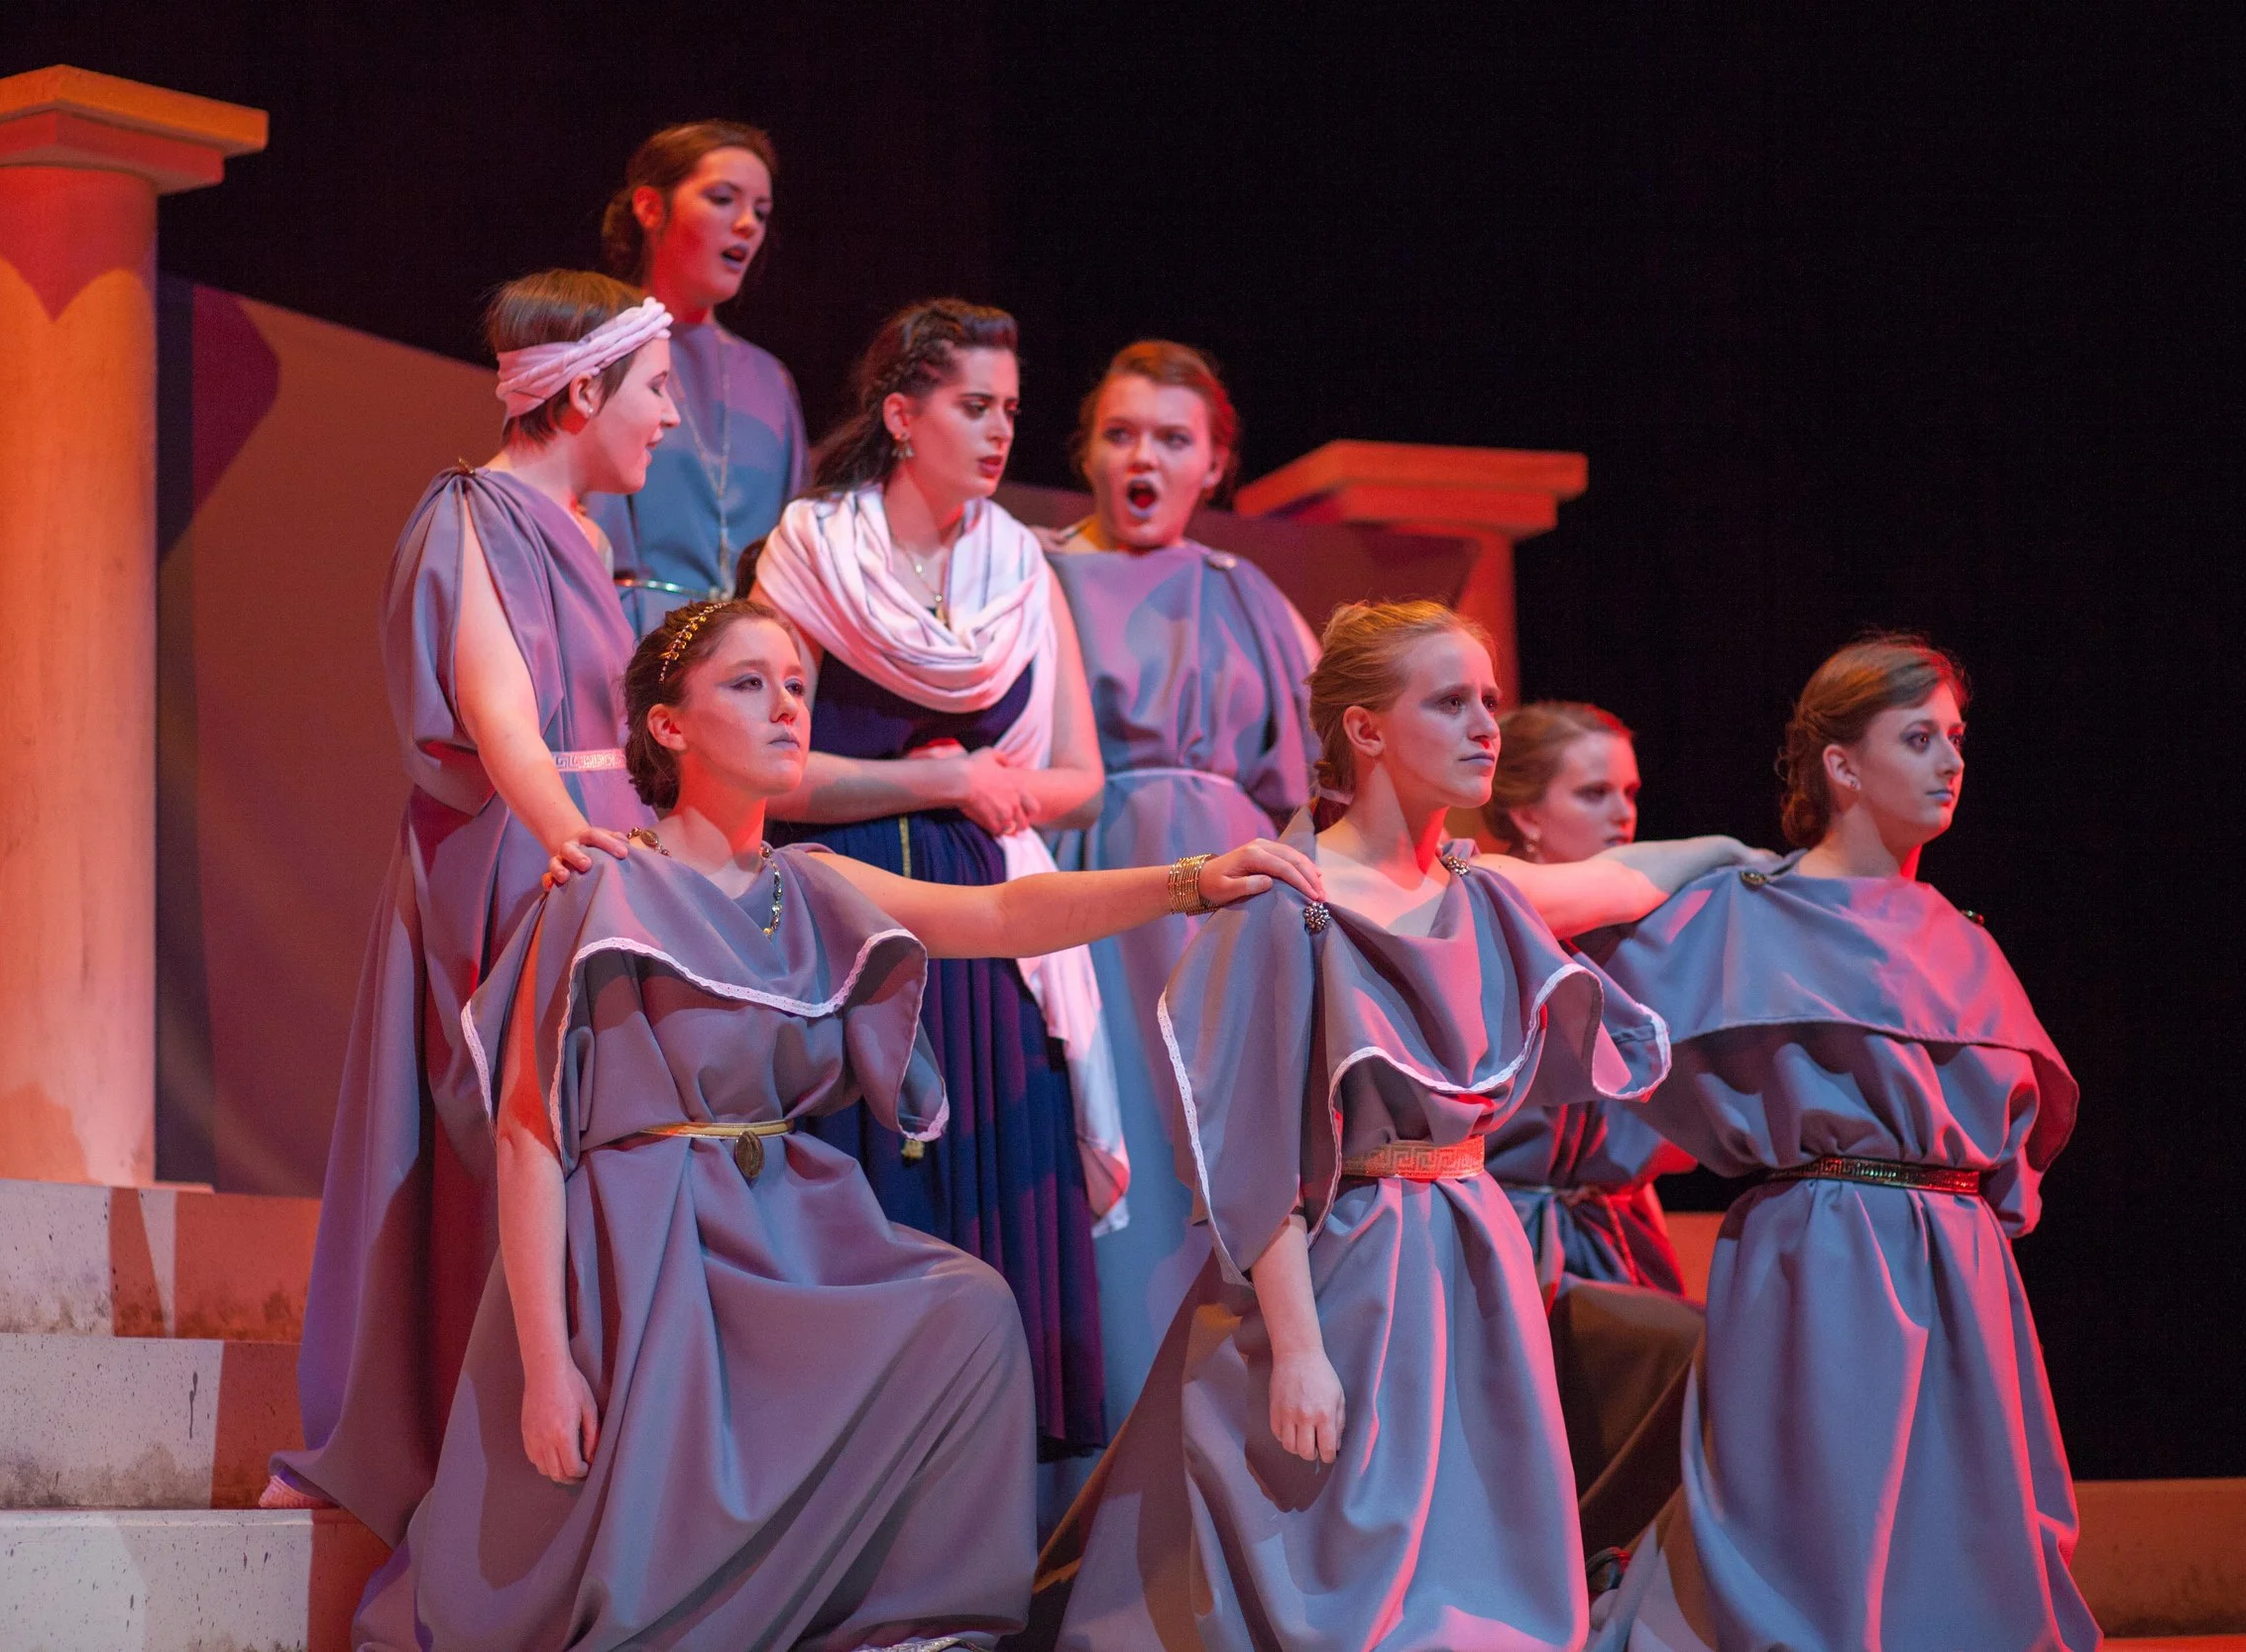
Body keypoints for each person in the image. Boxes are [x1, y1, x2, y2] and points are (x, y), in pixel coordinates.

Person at [355, 598, 1322, 1652]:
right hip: (646, 1242)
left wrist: (1188, 881)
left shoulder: (805, 884)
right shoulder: (604, 885)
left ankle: (912, 1623)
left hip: (787, 1222)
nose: (786, 707)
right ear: (668, 727)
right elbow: (528, 1135)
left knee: (964, 1312)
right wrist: (545, 1364)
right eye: (747, 683)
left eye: (799, 686)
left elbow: (1001, 917)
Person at [1026, 602, 1769, 1652]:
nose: (1484, 728)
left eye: (1489, 703)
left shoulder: (1480, 892)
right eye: (1450, 701)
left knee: (1483, 1560)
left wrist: (1751, 856)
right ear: (1366, 729)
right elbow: (1250, 1154)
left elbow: (1614, 878)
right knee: (1333, 1566)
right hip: (1344, 1271)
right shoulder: (1291, 899)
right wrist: (1295, 1346)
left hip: (1472, 1262)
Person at [263, 272, 675, 1541]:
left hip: (604, 853)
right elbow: (500, 715)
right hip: (516, 861)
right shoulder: (470, 513)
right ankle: (481, 1459)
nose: (668, 419)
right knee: (496, 1148)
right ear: (584, 391)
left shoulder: (602, 545)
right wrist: (575, 849)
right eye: (654, 391)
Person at [1589, 635, 2096, 1652]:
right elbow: (1534, 926)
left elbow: (2014, 1153)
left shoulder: (1962, 935)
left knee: (1963, 1534)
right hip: (1816, 1251)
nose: (1949, 760)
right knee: (1808, 1528)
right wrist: (1695, 855)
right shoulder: (1742, 911)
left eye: (1954, 736)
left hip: (1959, 1263)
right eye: (1916, 737)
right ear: (1841, 764)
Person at [751, 299, 1117, 1459]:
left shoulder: (1022, 567)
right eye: (974, 406)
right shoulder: (813, 548)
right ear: (903, 415)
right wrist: (941, 778)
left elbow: (1080, 781)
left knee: (993, 1201)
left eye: (1010, 409)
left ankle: (978, 1551)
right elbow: (773, 772)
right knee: (878, 1204)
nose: (1001, 430)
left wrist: (983, 791)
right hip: (851, 914)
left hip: (996, 935)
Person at [1043, 339, 1320, 1425]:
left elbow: (1314, 776)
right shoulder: (1041, 570)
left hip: (1235, 893)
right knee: (1124, 1153)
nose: (1143, 457)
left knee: (1232, 1135)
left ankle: (1254, 1423)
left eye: (1172, 437)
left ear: (1214, 464)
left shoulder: (1242, 592)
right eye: (1121, 434)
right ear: (1089, 452)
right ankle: (1120, 1431)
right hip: (1099, 887)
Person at [1482, 701, 1709, 1562]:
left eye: (1631, 791)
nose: (1623, 814)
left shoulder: (1654, 938)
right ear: (1527, 814)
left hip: (1618, 1233)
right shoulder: (1488, 916)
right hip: (1508, 1240)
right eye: (1593, 792)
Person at [589, 121, 807, 634]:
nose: (748, 224)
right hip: (627, 648)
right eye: (723, 198)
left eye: (761, 211)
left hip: (746, 659)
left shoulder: (771, 382)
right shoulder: (600, 346)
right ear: (650, 208)